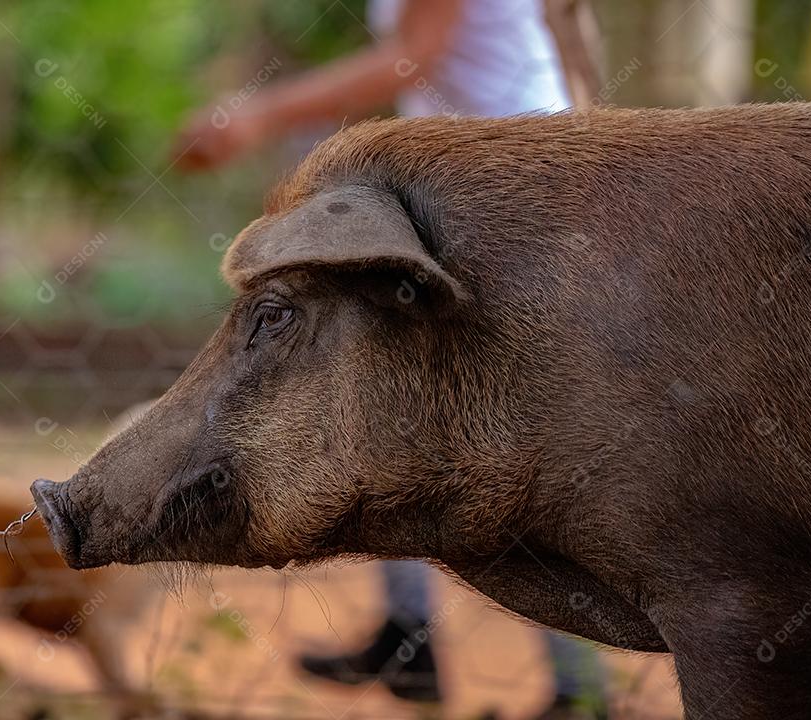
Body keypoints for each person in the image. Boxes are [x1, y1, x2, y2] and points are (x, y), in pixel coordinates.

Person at [171, 1, 607, 717]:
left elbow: (412, 59)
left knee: (514, 442)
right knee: (393, 414)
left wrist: (257, 115)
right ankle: (416, 644)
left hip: (517, 200)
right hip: (478, 188)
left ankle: (574, 685)